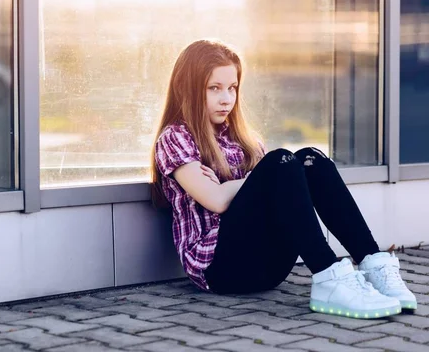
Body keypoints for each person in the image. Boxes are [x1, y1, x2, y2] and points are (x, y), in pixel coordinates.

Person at [151, 39, 417, 319]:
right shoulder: (176, 137)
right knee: (281, 162)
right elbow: (216, 200)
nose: (226, 98)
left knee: (309, 159)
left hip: (269, 268)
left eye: (232, 88)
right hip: (220, 268)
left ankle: (373, 263)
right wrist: (253, 180)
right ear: (188, 88)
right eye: (213, 88)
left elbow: (264, 195)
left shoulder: (244, 140)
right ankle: (329, 275)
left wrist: (241, 183)